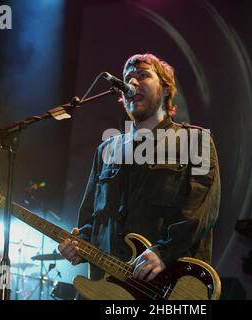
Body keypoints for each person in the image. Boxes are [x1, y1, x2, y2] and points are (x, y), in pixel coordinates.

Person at [58, 53, 221, 290]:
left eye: (143, 75)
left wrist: (164, 252)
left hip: (166, 288)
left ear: (166, 89)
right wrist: (78, 246)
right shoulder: (107, 149)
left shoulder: (196, 141)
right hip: (106, 288)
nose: (132, 83)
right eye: (128, 78)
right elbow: (91, 221)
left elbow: (200, 213)